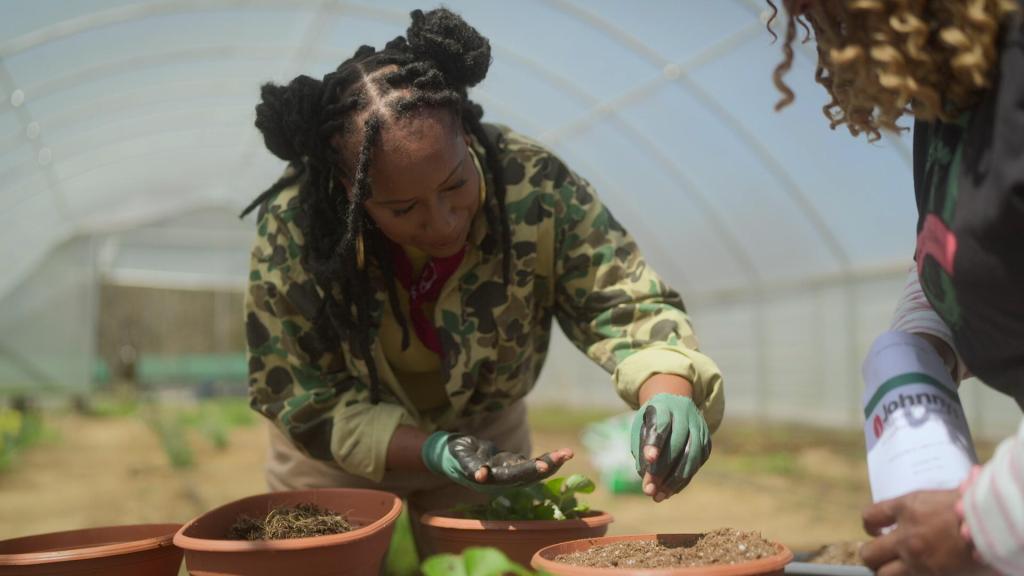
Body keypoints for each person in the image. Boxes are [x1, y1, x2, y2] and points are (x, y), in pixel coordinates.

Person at [241, 7, 724, 554]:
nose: (443, 220)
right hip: (334, 462)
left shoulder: (533, 186)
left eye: (455, 185)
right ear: (351, 200)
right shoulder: (297, 227)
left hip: (488, 451)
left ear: (468, 135)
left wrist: (667, 391)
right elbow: (299, 395)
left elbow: (621, 303)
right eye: (403, 208)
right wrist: (429, 449)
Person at [770, 1, 1024, 574]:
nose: (802, 14)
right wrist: (920, 344)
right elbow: (961, 241)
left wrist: (980, 522)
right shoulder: (952, 92)